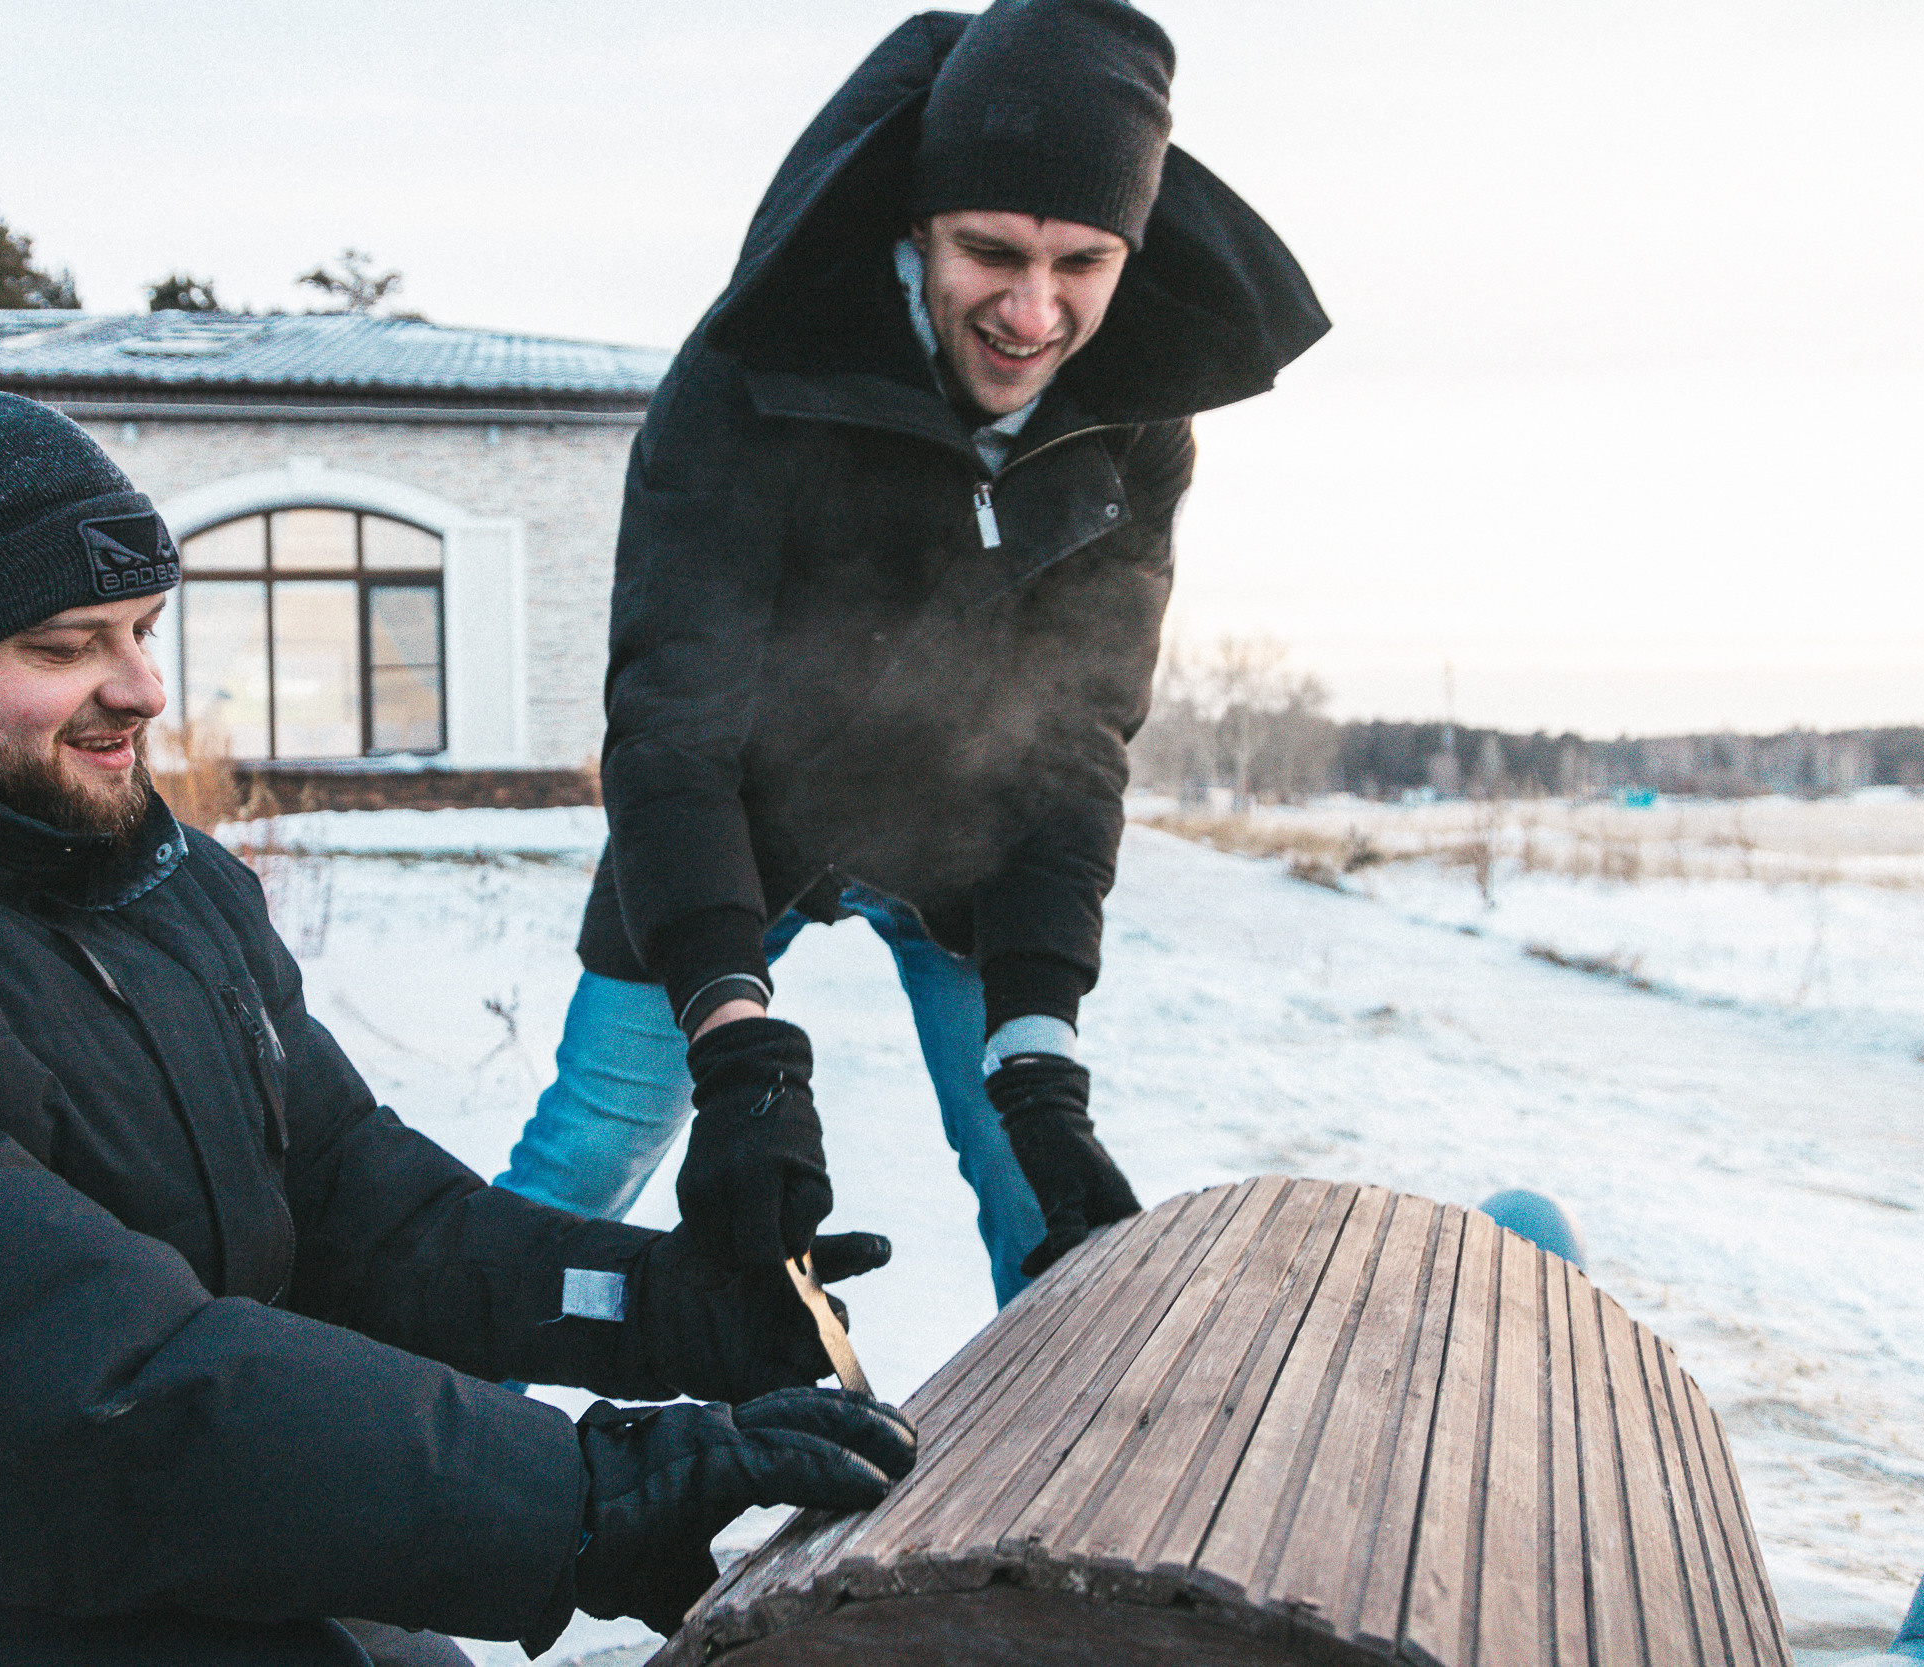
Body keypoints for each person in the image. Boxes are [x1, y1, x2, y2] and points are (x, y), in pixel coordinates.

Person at [0, 386, 915, 1667]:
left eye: (144, 632)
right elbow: (31, 1377)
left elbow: (368, 1217)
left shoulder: (164, 888)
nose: (143, 688)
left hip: (98, 1573)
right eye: (66, 644)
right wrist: (584, 1495)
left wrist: (663, 1308)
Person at [494, 0, 1329, 1304]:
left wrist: (1041, 1044)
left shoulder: (1136, 423)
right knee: (590, 1145)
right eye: (988, 251)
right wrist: (732, 1041)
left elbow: (1076, 732)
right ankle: (419, 1409)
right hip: (734, 822)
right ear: (914, 224)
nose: (1033, 310)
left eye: (1083, 264)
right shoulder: (744, 378)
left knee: (1032, 1181)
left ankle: (1059, 1479)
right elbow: (672, 723)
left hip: (969, 848)